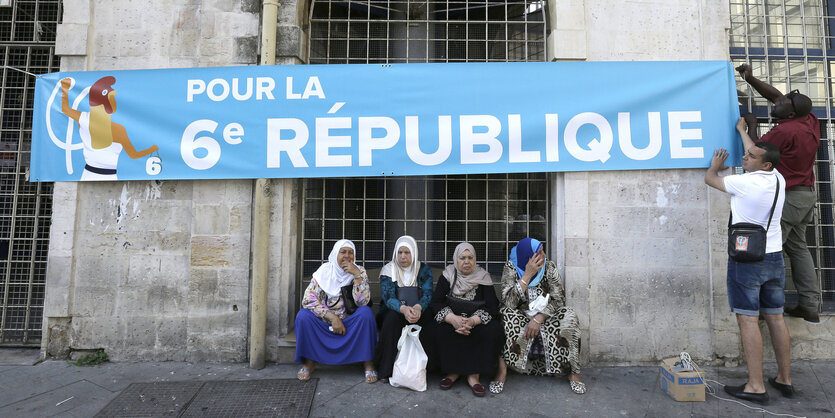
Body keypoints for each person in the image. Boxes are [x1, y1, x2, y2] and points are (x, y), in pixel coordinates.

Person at [704, 119, 793, 404]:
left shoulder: (743, 183)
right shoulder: (777, 178)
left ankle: (755, 385)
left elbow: (710, 180)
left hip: (748, 261)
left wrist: (715, 166)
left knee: (747, 319)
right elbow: (757, 154)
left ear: (764, 164)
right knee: (776, 317)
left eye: (750, 156)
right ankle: (784, 378)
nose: (745, 157)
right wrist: (744, 133)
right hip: (774, 257)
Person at [736, 64, 821, 323]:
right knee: (798, 248)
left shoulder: (785, 131)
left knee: (769, 250)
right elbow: (774, 96)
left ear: (791, 112)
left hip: (789, 198)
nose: (778, 100)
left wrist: (749, 126)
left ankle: (768, 307)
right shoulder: (809, 120)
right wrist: (750, 79)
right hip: (805, 195)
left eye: (784, 101)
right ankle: (810, 304)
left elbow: (756, 153)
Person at [493, 238, 585, 395]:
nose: (544, 254)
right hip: (520, 316)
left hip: (547, 316)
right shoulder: (511, 267)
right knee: (504, 315)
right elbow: (508, 302)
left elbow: (559, 299)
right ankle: (502, 372)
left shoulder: (549, 266)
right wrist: (527, 275)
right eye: (539, 252)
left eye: (543, 250)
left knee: (569, 314)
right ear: (528, 257)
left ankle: (573, 373)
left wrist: (539, 318)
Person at [294, 239, 378, 383]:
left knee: (366, 314)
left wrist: (357, 276)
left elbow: (363, 302)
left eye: (350, 252)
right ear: (335, 254)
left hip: (349, 324)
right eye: (343, 252)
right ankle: (309, 363)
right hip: (325, 323)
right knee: (303, 316)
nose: (347, 256)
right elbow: (308, 300)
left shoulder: (360, 271)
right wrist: (332, 317)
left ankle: (368, 363)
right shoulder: (324, 272)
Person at [427, 243, 504, 397]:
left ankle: (474, 375)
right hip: (452, 319)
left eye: (470, 258)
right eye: (462, 258)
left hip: (475, 321)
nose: (467, 261)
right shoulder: (448, 274)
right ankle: (452, 372)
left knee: (492, 331)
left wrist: (473, 321)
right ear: (456, 259)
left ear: (475, 259)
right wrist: (452, 319)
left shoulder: (483, 276)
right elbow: (436, 302)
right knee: (435, 329)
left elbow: (492, 306)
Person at [60, 76, 159, 180]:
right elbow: (134, 155)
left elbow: (65, 109)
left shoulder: (83, 119)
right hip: (108, 178)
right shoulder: (118, 129)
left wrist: (65, 88)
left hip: (87, 175)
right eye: (113, 98)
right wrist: (152, 149)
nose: (115, 101)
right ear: (107, 102)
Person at [374, 235, 434, 382]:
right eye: (400, 252)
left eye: (407, 252)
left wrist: (418, 308)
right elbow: (388, 297)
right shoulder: (388, 269)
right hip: (395, 310)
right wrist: (404, 309)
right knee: (391, 320)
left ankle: (427, 369)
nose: (403, 256)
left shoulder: (423, 269)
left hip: (418, 309)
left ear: (413, 253)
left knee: (431, 321)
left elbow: (427, 293)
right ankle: (385, 370)